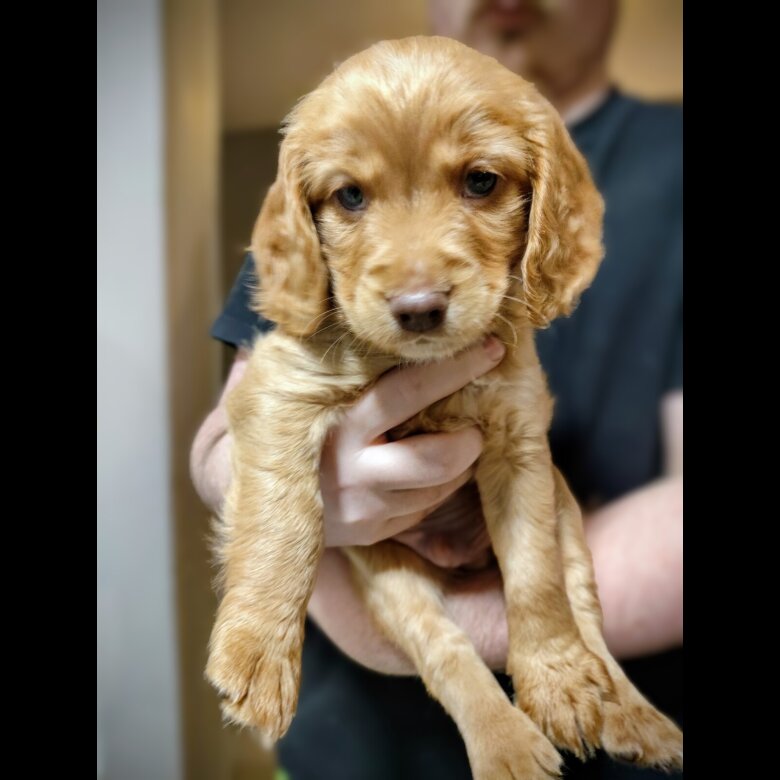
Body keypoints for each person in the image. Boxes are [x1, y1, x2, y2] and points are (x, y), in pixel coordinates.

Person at [191, 1, 682, 777]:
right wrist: (292, 518)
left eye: (480, 182)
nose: (417, 288)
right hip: (353, 748)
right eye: (352, 197)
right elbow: (224, 441)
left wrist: (532, 636)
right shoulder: (335, 130)